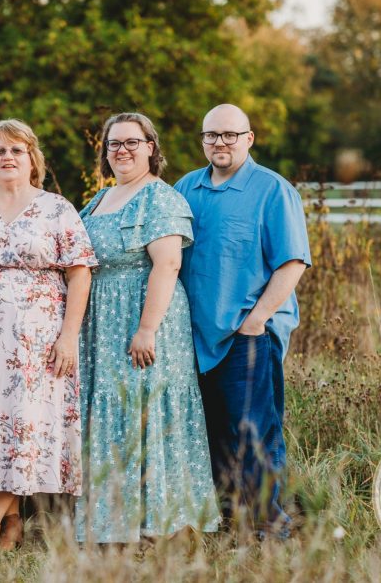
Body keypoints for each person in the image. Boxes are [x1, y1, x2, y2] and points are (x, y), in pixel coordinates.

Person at [0, 119, 96, 549]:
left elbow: (80, 273)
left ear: (32, 160)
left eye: (17, 150)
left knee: (23, 424)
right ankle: (12, 519)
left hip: (36, 340)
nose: (8, 157)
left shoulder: (56, 208)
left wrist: (68, 336)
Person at [76, 112, 218, 544]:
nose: (122, 150)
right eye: (113, 143)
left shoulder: (160, 198)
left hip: (145, 316)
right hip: (102, 321)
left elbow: (168, 263)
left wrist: (147, 328)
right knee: (112, 412)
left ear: (151, 147)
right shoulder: (99, 199)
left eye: (132, 142)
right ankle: (111, 517)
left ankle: (160, 518)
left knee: (146, 409)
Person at [174, 103, 311, 540]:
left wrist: (257, 320)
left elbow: (292, 263)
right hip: (196, 337)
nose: (220, 143)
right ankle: (232, 519)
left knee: (254, 434)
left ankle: (271, 527)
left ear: (249, 139)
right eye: (212, 135)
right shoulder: (187, 188)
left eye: (230, 135)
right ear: (202, 140)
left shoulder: (273, 190)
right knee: (213, 431)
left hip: (247, 334)